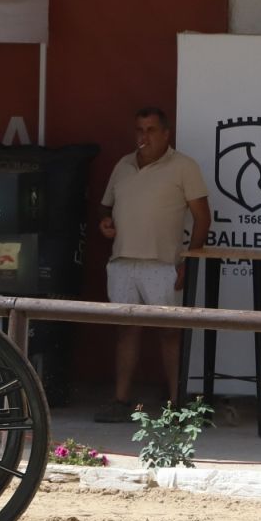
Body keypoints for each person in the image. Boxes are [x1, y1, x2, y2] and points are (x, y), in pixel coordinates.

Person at [93, 106, 210, 422]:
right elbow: (105, 207)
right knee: (126, 332)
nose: (144, 136)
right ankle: (121, 401)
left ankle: (176, 404)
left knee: (169, 333)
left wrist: (189, 261)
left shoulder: (183, 166)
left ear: (166, 134)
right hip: (122, 262)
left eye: (151, 130)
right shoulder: (123, 165)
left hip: (163, 263)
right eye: (140, 130)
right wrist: (105, 221)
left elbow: (202, 217)